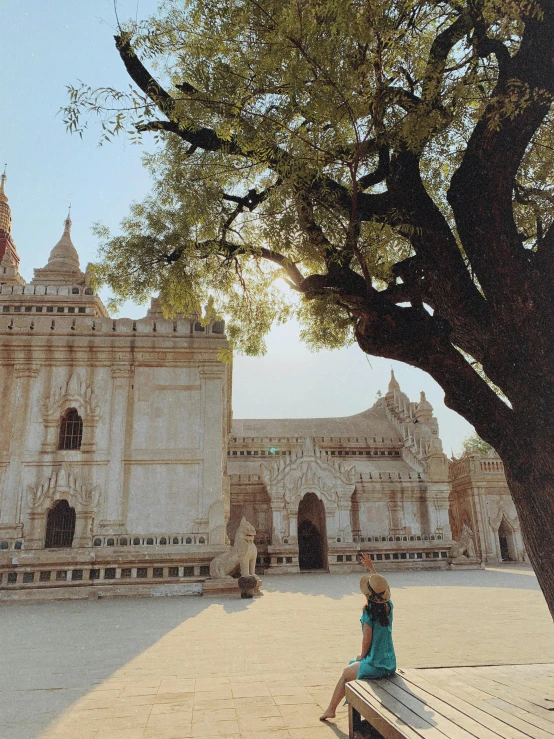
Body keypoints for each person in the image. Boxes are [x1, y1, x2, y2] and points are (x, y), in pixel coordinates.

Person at [320, 553, 396, 721]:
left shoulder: (369, 612)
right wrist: (371, 567)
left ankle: (331, 709)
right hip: (389, 663)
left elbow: (366, 640)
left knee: (347, 672)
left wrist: (362, 656)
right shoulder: (388, 607)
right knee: (351, 667)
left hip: (377, 664)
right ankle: (337, 708)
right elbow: (379, 588)